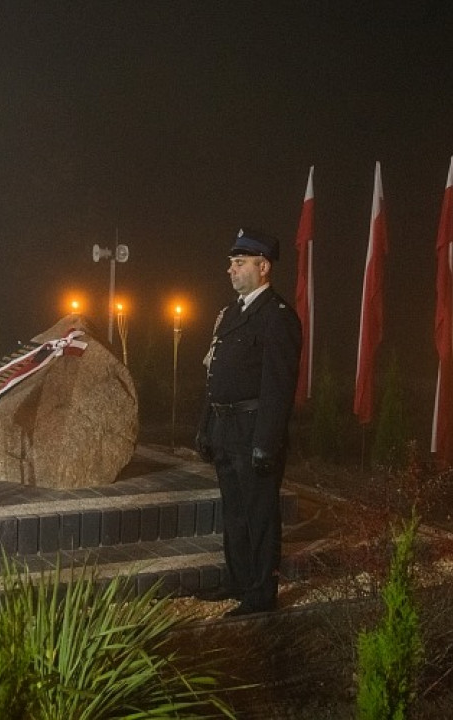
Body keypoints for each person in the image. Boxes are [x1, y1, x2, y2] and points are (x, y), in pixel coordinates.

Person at [195, 228, 301, 616]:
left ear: (264, 266)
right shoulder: (231, 314)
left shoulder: (277, 318)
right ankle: (237, 580)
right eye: (230, 263)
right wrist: (206, 425)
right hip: (225, 428)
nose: (231, 270)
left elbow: (279, 386)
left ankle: (260, 594)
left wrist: (266, 442)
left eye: (239, 263)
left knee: (260, 514)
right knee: (235, 512)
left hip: (254, 428)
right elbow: (215, 375)